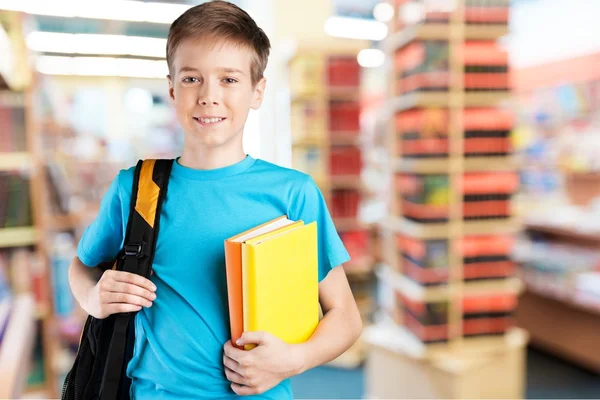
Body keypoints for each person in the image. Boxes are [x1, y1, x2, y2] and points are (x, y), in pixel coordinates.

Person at [67, 1, 362, 399]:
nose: (208, 96)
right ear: (171, 87)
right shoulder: (137, 189)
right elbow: (82, 267)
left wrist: (294, 359)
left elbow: (345, 315)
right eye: (192, 79)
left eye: (229, 79)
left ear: (257, 91)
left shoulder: (293, 193)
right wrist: (92, 297)